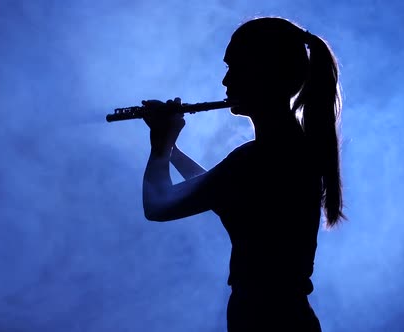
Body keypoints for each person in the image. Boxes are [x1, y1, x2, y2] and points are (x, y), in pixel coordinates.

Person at [140, 16, 346, 332]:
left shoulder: (260, 158)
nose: (225, 82)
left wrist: (160, 146)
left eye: (234, 68)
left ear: (265, 74)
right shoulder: (286, 149)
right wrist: (172, 148)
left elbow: (158, 205)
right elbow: (217, 189)